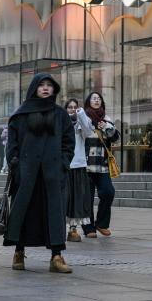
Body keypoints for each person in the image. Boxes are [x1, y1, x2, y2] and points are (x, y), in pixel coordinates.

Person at [4, 74, 75, 273]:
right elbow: (12, 145)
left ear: (54, 90)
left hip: (53, 175)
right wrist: (16, 165)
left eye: (49, 86)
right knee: (23, 212)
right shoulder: (21, 115)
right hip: (26, 174)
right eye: (41, 85)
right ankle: (19, 252)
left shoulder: (60, 114)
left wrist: (63, 163)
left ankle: (57, 256)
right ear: (34, 88)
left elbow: (69, 142)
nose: (45, 88)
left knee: (55, 213)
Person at [82, 92, 119, 238]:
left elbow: (116, 138)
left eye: (98, 99)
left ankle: (101, 224)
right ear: (88, 102)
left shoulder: (106, 119)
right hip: (86, 165)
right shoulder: (84, 118)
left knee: (108, 192)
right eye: (93, 99)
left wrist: (106, 128)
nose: (96, 101)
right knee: (87, 198)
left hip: (102, 165)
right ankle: (88, 227)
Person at [64, 98, 94, 243]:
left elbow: (89, 131)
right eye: (69, 107)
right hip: (63, 166)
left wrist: (81, 113)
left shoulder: (81, 125)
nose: (72, 109)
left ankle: (73, 229)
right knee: (64, 199)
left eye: (75, 107)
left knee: (76, 199)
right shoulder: (61, 123)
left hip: (78, 166)